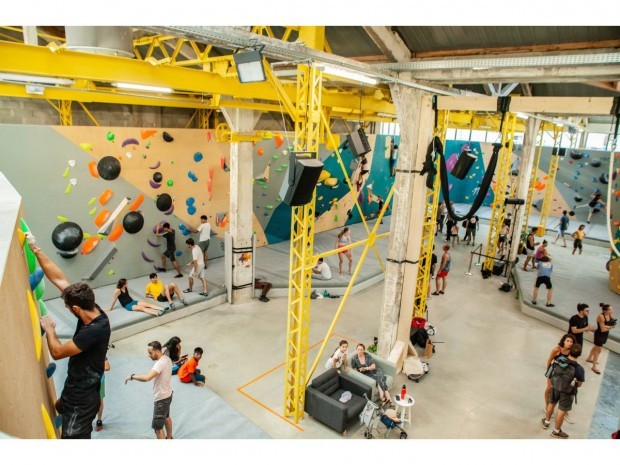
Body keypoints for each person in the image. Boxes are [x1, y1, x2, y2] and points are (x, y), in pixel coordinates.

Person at [25, 232, 111, 439]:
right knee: (58, 405)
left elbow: (56, 352)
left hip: (82, 400)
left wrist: (50, 329)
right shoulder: (91, 309)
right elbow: (59, 278)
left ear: (75, 309)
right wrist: (36, 249)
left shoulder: (93, 331)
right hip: (74, 388)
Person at [125, 341, 173, 439]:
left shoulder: (159, 364)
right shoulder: (167, 359)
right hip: (168, 395)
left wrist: (133, 376)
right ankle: (169, 437)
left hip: (161, 400)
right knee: (166, 417)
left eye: (150, 353)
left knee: (158, 428)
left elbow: (147, 378)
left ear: (158, 351)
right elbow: (164, 349)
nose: (149, 355)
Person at [542, 343, 585, 439]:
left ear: (569, 351)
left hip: (555, 387)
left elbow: (552, 372)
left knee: (551, 403)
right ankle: (556, 431)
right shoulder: (579, 369)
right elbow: (580, 384)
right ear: (580, 354)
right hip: (568, 393)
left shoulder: (559, 360)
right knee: (562, 410)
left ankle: (546, 422)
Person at [351, 343, 394, 408]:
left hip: (375, 371)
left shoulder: (367, 355)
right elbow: (354, 369)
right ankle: (389, 400)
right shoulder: (354, 358)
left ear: (364, 350)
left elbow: (373, 366)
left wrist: (365, 368)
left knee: (380, 381)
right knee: (380, 381)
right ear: (356, 350)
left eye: (361, 350)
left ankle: (383, 399)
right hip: (366, 374)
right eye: (358, 349)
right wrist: (359, 372)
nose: (359, 351)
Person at [543, 334, 575, 410]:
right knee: (549, 389)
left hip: (564, 373)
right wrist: (548, 371)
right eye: (567, 341)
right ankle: (547, 406)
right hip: (553, 371)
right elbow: (549, 360)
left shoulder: (572, 352)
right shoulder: (557, 350)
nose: (569, 343)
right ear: (563, 341)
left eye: (571, 341)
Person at [586, 303, 616, 375]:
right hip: (599, 334)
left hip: (605, 334)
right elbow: (602, 329)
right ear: (605, 311)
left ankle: (589, 358)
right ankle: (594, 366)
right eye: (610, 310)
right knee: (598, 350)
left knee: (596, 347)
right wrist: (610, 327)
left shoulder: (609, 315)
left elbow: (609, 324)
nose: (612, 311)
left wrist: (608, 326)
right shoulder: (601, 316)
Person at [95, 357, 111, 432]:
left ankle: (99, 420)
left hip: (99, 381)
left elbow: (107, 367)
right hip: (87, 381)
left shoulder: (101, 353)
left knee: (100, 400)